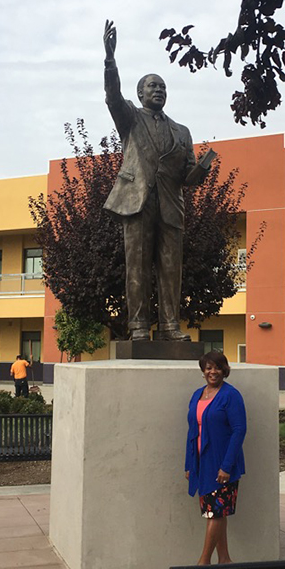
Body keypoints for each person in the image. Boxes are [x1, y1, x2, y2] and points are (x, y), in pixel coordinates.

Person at [103, 20, 207, 342]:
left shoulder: (182, 132)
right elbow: (112, 95)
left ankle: (169, 326)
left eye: (163, 87)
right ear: (141, 94)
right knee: (137, 267)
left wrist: (201, 169)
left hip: (171, 206)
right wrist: (110, 59)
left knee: (170, 270)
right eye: (153, 86)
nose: (159, 91)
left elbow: (186, 176)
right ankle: (137, 327)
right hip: (138, 201)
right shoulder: (130, 118)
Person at [185, 351, 247, 565]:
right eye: (209, 368)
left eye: (217, 367)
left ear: (224, 370)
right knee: (216, 513)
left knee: (216, 513)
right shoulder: (197, 395)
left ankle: (203, 562)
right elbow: (192, 430)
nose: (213, 372)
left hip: (222, 465)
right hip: (202, 463)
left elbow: (239, 430)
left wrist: (226, 466)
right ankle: (225, 560)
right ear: (203, 371)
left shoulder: (231, 395)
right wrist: (189, 464)